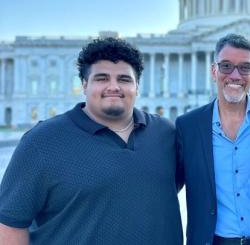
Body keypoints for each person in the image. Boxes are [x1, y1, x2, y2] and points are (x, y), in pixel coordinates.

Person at [0, 37, 183, 244]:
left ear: (137, 86)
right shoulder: (43, 141)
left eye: (124, 79)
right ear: (84, 85)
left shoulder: (166, 134)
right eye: (102, 78)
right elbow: (10, 225)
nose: (113, 87)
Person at [175, 33, 250, 245]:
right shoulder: (188, 126)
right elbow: (166, 187)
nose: (235, 75)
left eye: (244, 68)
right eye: (226, 66)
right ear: (214, 71)